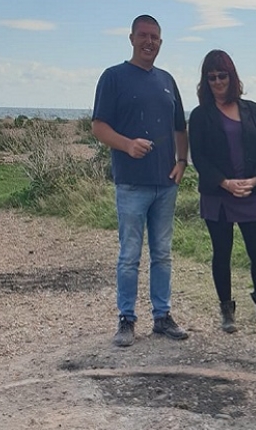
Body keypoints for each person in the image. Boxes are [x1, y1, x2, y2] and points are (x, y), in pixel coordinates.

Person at [92, 14, 190, 347]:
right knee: (129, 256)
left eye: (155, 37)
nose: (149, 42)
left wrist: (182, 162)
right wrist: (127, 145)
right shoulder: (113, 77)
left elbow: (180, 127)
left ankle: (162, 317)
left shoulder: (167, 80)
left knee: (162, 254)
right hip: (131, 184)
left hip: (165, 184)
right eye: (144, 35)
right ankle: (127, 320)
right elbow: (99, 126)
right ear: (132, 38)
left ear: (160, 42)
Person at [188, 50, 256, 333]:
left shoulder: (253, 110)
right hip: (218, 195)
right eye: (211, 77)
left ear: (232, 77)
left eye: (222, 76)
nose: (217, 82)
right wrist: (224, 182)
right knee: (221, 254)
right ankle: (226, 309)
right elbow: (199, 157)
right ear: (205, 81)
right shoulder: (200, 115)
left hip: (250, 193)